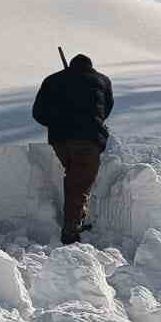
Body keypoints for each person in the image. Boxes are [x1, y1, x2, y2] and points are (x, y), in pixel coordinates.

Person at [32, 53, 115, 245]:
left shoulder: (53, 80)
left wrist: (56, 122)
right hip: (89, 139)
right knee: (79, 182)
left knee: (75, 178)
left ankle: (72, 221)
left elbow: (38, 113)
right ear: (90, 67)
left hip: (60, 140)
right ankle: (71, 230)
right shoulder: (102, 80)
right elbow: (107, 109)